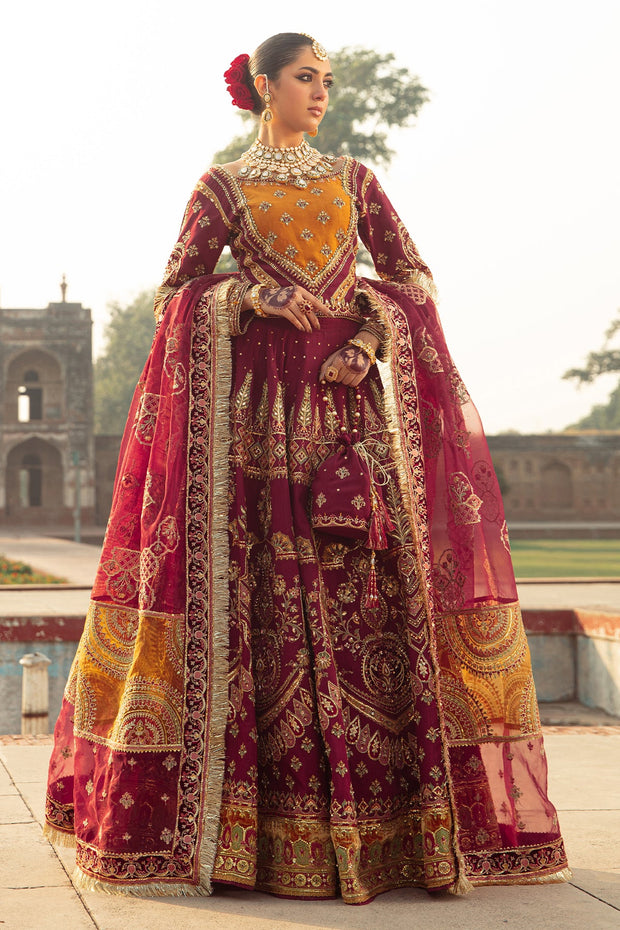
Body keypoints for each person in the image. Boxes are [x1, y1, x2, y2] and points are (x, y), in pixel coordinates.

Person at [44, 32, 570, 904]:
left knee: (368, 598)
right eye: (304, 78)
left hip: (351, 426)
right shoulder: (221, 187)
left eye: (327, 80)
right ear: (262, 87)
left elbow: (414, 280)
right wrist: (249, 295)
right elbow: (176, 290)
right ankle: (250, 838)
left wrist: (367, 337)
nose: (320, 92)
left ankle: (395, 835)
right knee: (263, 608)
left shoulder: (356, 181)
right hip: (255, 432)